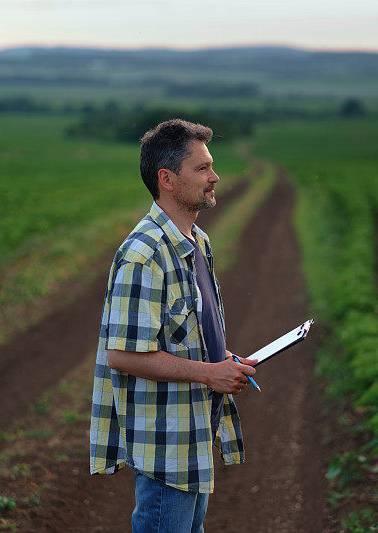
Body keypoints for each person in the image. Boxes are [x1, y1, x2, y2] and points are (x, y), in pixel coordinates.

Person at [89, 118, 257, 532]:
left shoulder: (197, 243)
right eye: (201, 169)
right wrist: (209, 374)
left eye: (211, 166)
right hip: (167, 451)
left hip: (194, 439)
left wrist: (224, 361)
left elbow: (186, 337)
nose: (215, 177)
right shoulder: (143, 255)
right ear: (167, 179)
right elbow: (123, 354)